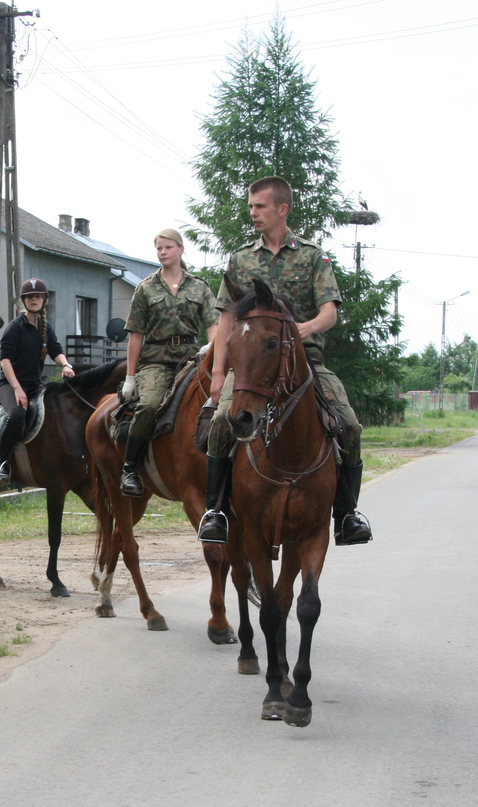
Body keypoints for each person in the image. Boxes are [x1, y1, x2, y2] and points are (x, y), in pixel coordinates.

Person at [198, 176, 372, 547]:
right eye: (250, 206)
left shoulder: (312, 256)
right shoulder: (241, 259)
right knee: (219, 424)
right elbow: (227, 318)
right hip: (251, 366)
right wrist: (217, 372)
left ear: (282, 209)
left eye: (259, 206)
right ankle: (216, 512)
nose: (252, 213)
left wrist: (301, 330)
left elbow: (329, 313)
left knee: (350, 425)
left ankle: (345, 514)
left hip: (305, 362)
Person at [119, 228, 219, 496]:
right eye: (159, 248)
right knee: (150, 406)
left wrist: (212, 349)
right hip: (156, 361)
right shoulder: (145, 288)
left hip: (191, 358)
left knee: (222, 400)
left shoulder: (199, 286)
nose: (162, 252)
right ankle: (130, 468)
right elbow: (136, 336)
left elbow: (213, 324)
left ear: (180, 249)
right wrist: (130, 377)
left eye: (168, 247)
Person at [0, 278, 75, 480]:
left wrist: (65, 365)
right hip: (9, 384)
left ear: (44, 300)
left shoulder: (45, 328)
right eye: (30, 297)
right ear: (24, 301)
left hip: (35, 385)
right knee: (18, 415)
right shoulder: (15, 327)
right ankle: (0, 462)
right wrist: (17, 389)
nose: (34, 300)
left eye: (38, 297)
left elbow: (56, 350)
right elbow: (5, 361)